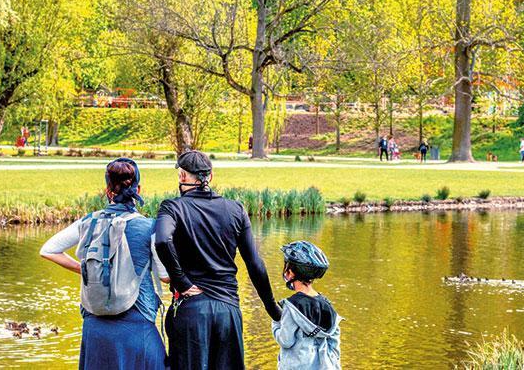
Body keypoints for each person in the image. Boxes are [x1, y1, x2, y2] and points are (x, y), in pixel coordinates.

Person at [154, 150, 281, 369]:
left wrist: (182, 281)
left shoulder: (172, 207)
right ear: (210, 176)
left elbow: (163, 241)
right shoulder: (236, 209)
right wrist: (273, 309)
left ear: (183, 177)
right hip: (228, 311)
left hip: (191, 310)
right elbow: (254, 264)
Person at [40, 159, 169, 370]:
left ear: (107, 190)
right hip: (137, 327)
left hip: (95, 329)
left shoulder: (87, 222)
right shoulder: (150, 227)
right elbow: (164, 275)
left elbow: (48, 249)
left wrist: (85, 270)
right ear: (138, 189)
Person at [273, 241, 342, 370]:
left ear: (291, 273)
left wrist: (276, 323)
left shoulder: (291, 306)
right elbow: (334, 343)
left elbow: (286, 341)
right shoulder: (327, 305)